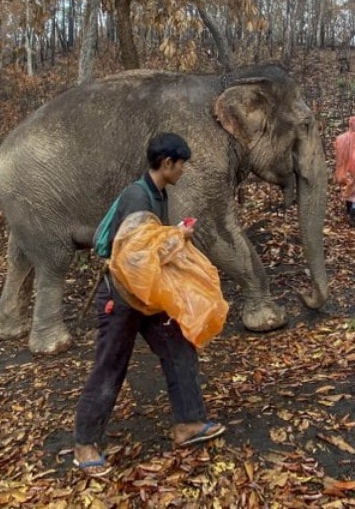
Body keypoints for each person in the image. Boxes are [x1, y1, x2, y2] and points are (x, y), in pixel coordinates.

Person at [72, 132, 226, 478]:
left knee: (179, 348)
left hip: (149, 295)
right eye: (181, 163)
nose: (184, 169)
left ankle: (188, 422)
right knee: (110, 365)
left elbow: (150, 247)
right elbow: (134, 257)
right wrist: (177, 237)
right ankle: (85, 444)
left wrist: (173, 235)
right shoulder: (137, 196)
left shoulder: (159, 194)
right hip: (123, 296)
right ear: (167, 163)